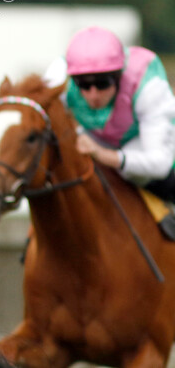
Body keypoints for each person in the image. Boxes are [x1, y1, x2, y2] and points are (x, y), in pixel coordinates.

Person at [45, 26, 175, 238]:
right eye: (83, 85)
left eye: (102, 83)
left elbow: (159, 163)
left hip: (156, 153)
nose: (93, 94)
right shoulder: (58, 74)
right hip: (99, 141)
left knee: (130, 171)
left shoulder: (149, 86)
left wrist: (102, 155)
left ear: (118, 76)